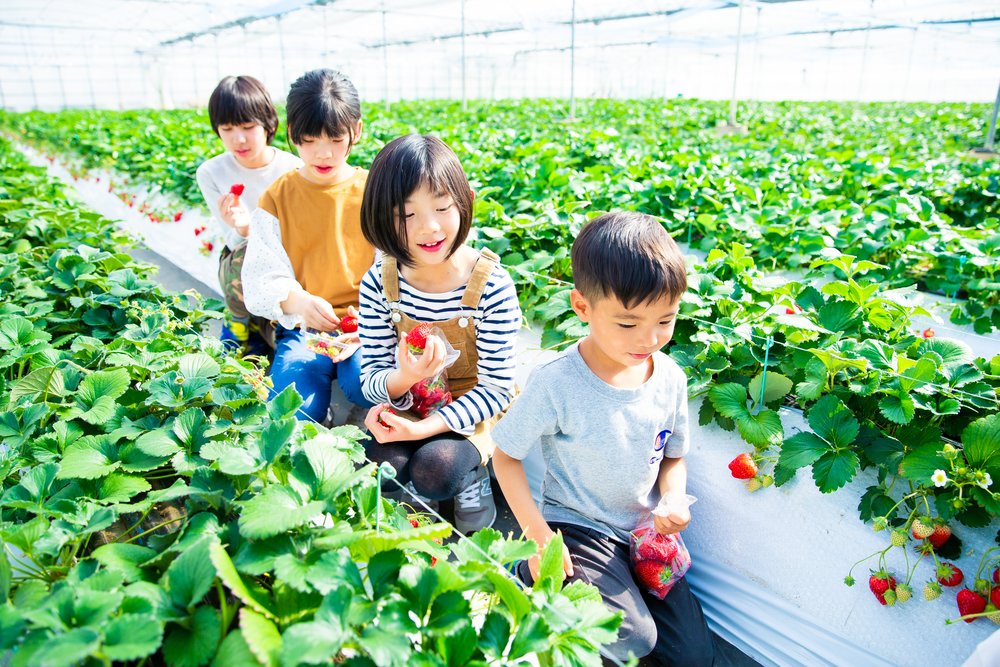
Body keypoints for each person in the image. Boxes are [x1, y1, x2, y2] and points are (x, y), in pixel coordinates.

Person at [491, 211, 715, 665]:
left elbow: (673, 457)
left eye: (666, 320)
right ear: (582, 308)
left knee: (693, 657)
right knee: (632, 639)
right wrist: (538, 536)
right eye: (628, 324)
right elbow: (505, 457)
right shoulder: (556, 382)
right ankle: (525, 574)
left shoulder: (670, 378)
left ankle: (607, 593)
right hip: (578, 527)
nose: (650, 339)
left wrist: (673, 500)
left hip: (644, 533)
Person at [358, 134, 521, 534]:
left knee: (437, 468)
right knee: (379, 462)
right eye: (406, 214)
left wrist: (421, 430)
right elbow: (371, 378)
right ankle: (414, 495)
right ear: (380, 217)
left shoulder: (491, 285)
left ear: (465, 201)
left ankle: (471, 476)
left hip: (474, 405)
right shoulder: (379, 283)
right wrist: (404, 378)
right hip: (410, 400)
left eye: (442, 207)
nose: (428, 227)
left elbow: (497, 390)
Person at [242, 69, 375, 423]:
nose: (323, 153)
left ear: (357, 131)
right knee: (293, 407)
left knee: (367, 383)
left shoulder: (374, 191)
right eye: (309, 139)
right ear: (291, 134)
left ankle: (365, 419)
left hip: (369, 326)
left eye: (335, 138)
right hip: (304, 328)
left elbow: (398, 265)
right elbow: (259, 279)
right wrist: (298, 301)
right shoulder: (277, 198)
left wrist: (374, 321)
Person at [195, 75, 302, 353]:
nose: (238, 139)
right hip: (240, 259)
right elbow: (231, 241)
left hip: (289, 258)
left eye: (248, 127)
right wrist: (243, 229)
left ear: (268, 125)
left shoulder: (293, 169)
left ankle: (270, 323)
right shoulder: (211, 172)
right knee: (247, 248)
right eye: (227, 128)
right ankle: (239, 320)